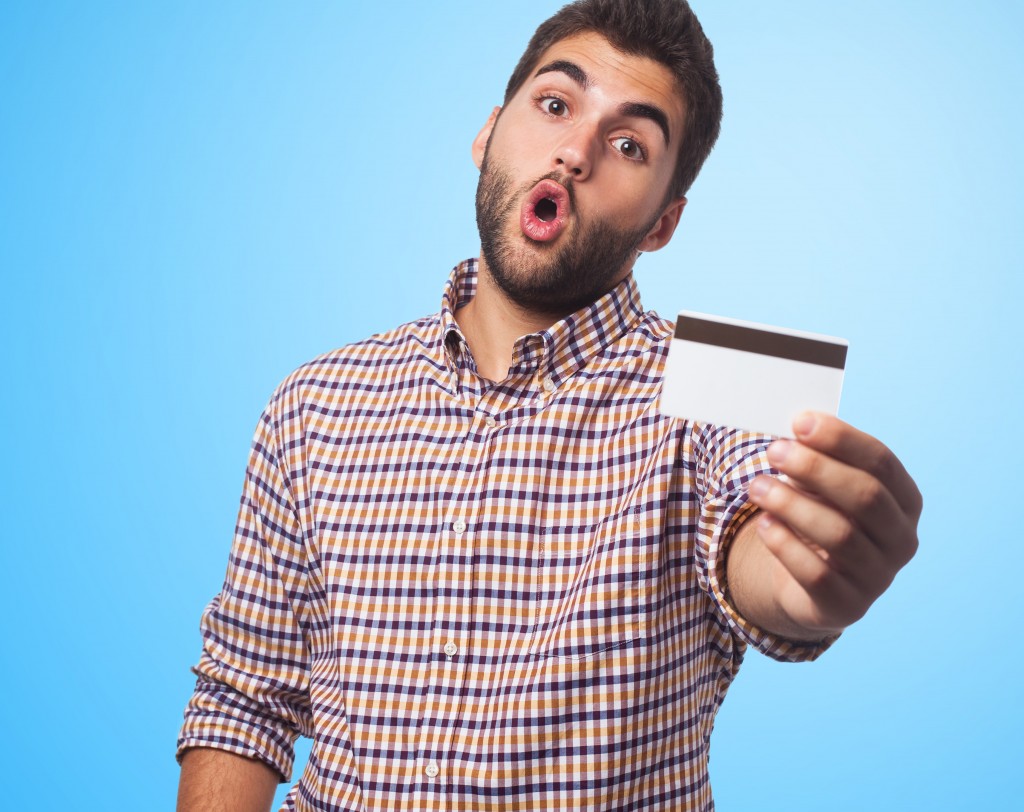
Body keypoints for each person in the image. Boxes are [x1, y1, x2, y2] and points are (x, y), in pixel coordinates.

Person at [176, 0, 922, 809]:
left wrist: (810, 583)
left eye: (629, 144)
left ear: (663, 223)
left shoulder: (728, 380)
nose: (574, 152)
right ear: (486, 134)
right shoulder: (315, 401)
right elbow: (244, 702)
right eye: (556, 105)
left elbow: (765, 551)